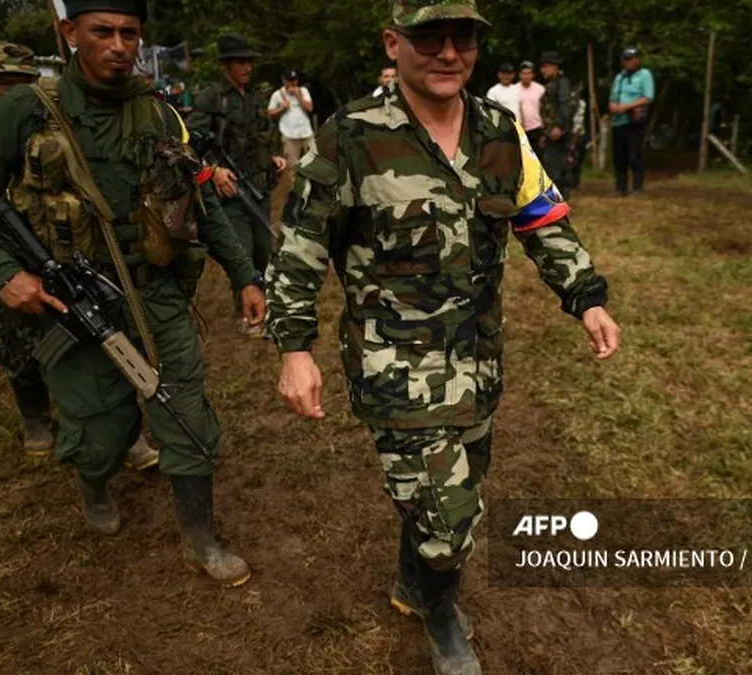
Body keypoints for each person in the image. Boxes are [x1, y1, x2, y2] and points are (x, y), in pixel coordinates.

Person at [265, 1, 620, 671]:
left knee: (455, 493)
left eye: (463, 38)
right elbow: (300, 249)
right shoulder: (351, 138)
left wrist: (586, 298)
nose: (449, 53)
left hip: (479, 361)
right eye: (430, 38)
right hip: (395, 370)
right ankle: (441, 614)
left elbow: (541, 217)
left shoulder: (499, 131)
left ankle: (414, 582)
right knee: (449, 517)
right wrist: (294, 348)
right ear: (393, 43)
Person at [0, 0, 266, 584]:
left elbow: (199, 203)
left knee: (186, 414)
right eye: (103, 32)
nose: (119, 45)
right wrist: (2, 273)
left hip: (157, 295)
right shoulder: (26, 109)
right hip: (73, 301)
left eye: (129, 33)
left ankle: (200, 539)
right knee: (101, 431)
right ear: (69, 32)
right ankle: (94, 486)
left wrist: (245, 275)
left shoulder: (159, 113)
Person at [0, 41, 161, 468]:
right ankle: (35, 417)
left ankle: (123, 430)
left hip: (64, 263)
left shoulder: (53, 127)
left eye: (23, 83)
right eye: (4, 83)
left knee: (98, 345)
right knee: (19, 350)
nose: (15, 92)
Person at [187, 33, 286, 338]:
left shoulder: (255, 97)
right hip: (228, 193)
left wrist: (274, 156)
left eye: (249, 62)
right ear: (226, 65)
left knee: (264, 250)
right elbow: (188, 146)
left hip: (257, 188)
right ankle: (247, 314)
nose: (247, 68)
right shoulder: (212, 98)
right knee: (241, 253)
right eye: (241, 62)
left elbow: (262, 134)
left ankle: (265, 307)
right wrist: (214, 171)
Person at [608, 46, 654, 197]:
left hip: (634, 120)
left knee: (635, 154)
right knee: (619, 156)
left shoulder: (644, 75)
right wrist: (613, 106)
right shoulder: (619, 77)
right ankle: (620, 188)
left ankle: (637, 187)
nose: (628, 62)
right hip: (618, 121)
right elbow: (612, 97)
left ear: (637, 60)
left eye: (631, 59)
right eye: (625, 59)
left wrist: (627, 107)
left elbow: (648, 97)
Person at [538, 52, 574, 198]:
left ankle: (560, 196)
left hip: (559, 131)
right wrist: (545, 134)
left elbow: (565, 106)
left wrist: (559, 126)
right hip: (550, 131)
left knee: (557, 165)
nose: (543, 70)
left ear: (555, 67)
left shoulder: (562, 83)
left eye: (546, 66)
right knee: (551, 163)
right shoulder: (551, 84)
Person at [268, 69, 315, 171]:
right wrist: (282, 108)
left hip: (306, 133)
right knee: (292, 168)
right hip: (289, 135)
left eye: (295, 80)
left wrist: (298, 95)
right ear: (284, 81)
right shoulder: (277, 94)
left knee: (314, 163)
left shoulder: (303, 91)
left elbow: (310, 108)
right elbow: (270, 113)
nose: (293, 83)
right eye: (290, 80)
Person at [517, 60, 546, 146]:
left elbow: (545, 109)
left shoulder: (540, 89)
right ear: (520, 75)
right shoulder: (514, 89)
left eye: (528, 73)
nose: (526, 76)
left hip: (537, 128)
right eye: (523, 73)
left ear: (533, 75)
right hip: (521, 129)